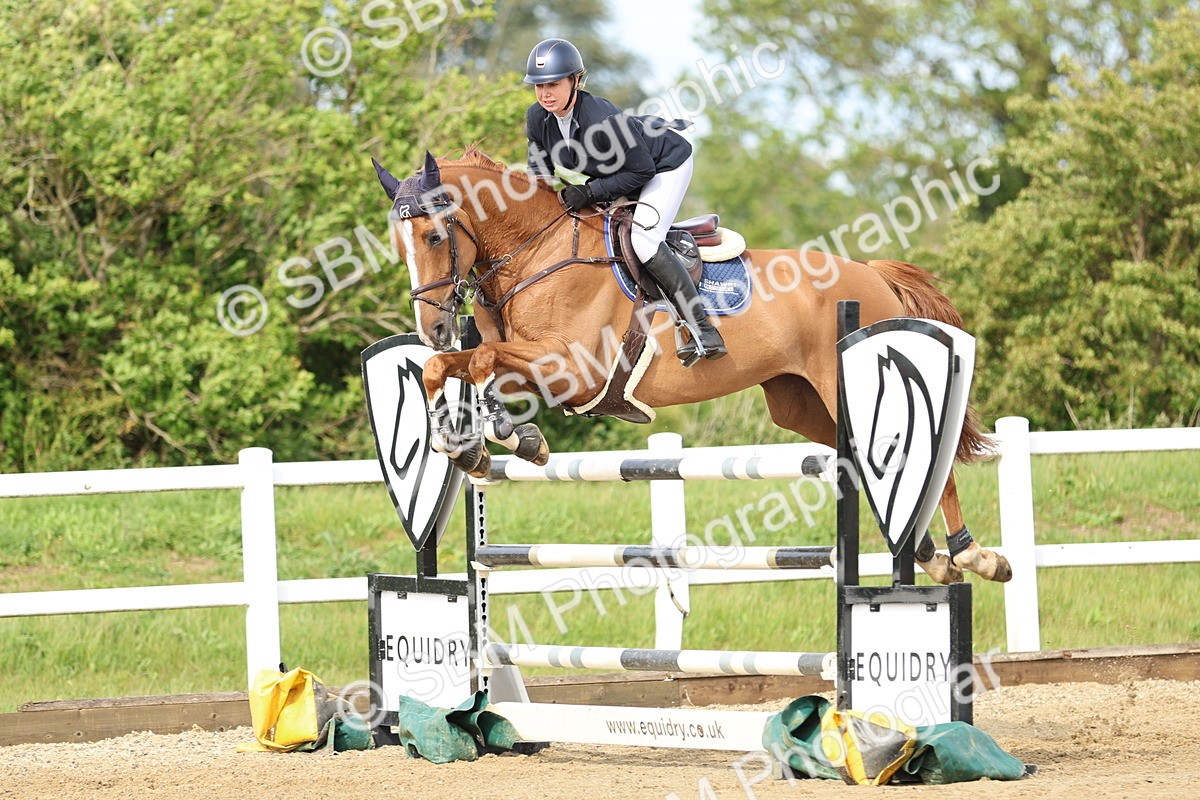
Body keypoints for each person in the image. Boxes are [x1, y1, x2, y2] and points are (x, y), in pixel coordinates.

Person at [523, 37, 726, 363]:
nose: (545, 93)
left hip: (663, 164)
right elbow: (539, 177)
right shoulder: (537, 118)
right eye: (539, 86)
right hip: (621, 173)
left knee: (644, 240)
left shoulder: (601, 118)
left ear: (575, 81)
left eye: (554, 84)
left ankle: (703, 328)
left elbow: (641, 170)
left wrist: (590, 192)